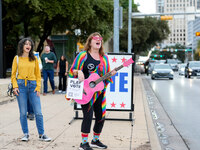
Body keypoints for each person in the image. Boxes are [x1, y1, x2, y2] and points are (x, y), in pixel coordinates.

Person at [68, 32, 117, 150]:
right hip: (86, 92)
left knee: (101, 116)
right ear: (90, 42)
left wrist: (111, 74)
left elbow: (105, 76)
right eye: (95, 38)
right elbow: (72, 70)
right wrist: (78, 72)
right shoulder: (83, 55)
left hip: (100, 92)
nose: (98, 40)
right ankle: (84, 143)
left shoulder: (104, 58)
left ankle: (95, 140)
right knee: (88, 116)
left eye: (100, 38)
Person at [11, 37, 51, 142]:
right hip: (21, 86)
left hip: (33, 86)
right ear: (22, 46)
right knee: (23, 112)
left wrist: (38, 87)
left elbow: (38, 74)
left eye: (30, 44)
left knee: (38, 112)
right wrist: (15, 86)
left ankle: (42, 134)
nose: (28, 45)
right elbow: (13, 74)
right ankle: (25, 134)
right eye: (26, 44)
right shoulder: (17, 58)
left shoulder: (34, 59)